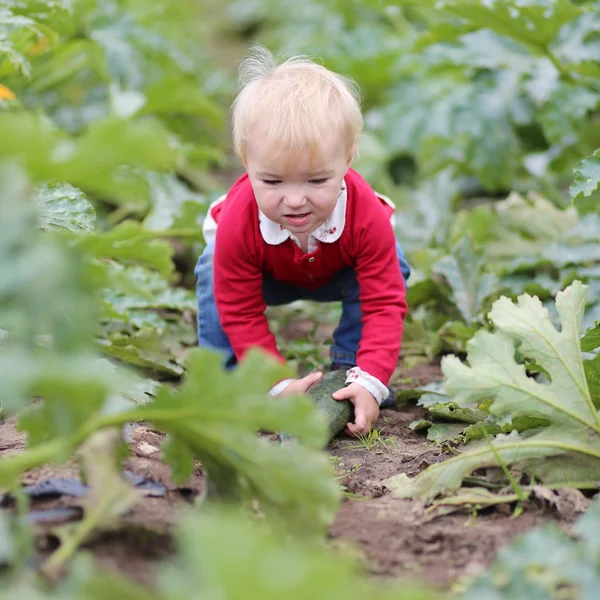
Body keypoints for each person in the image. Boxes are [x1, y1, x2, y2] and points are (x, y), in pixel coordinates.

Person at [195, 45, 410, 436]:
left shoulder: (365, 215)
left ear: (348, 158)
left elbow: (383, 302)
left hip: (339, 272)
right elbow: (240, 311)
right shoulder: (239, 220)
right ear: (246, 162)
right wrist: (276, 384)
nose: (294, 200)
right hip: (265, 276)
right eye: (273, 181)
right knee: (212, 268)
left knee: (394, 260)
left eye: (316, 180)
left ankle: (351, 370)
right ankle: (228, 381)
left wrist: (373, 379)